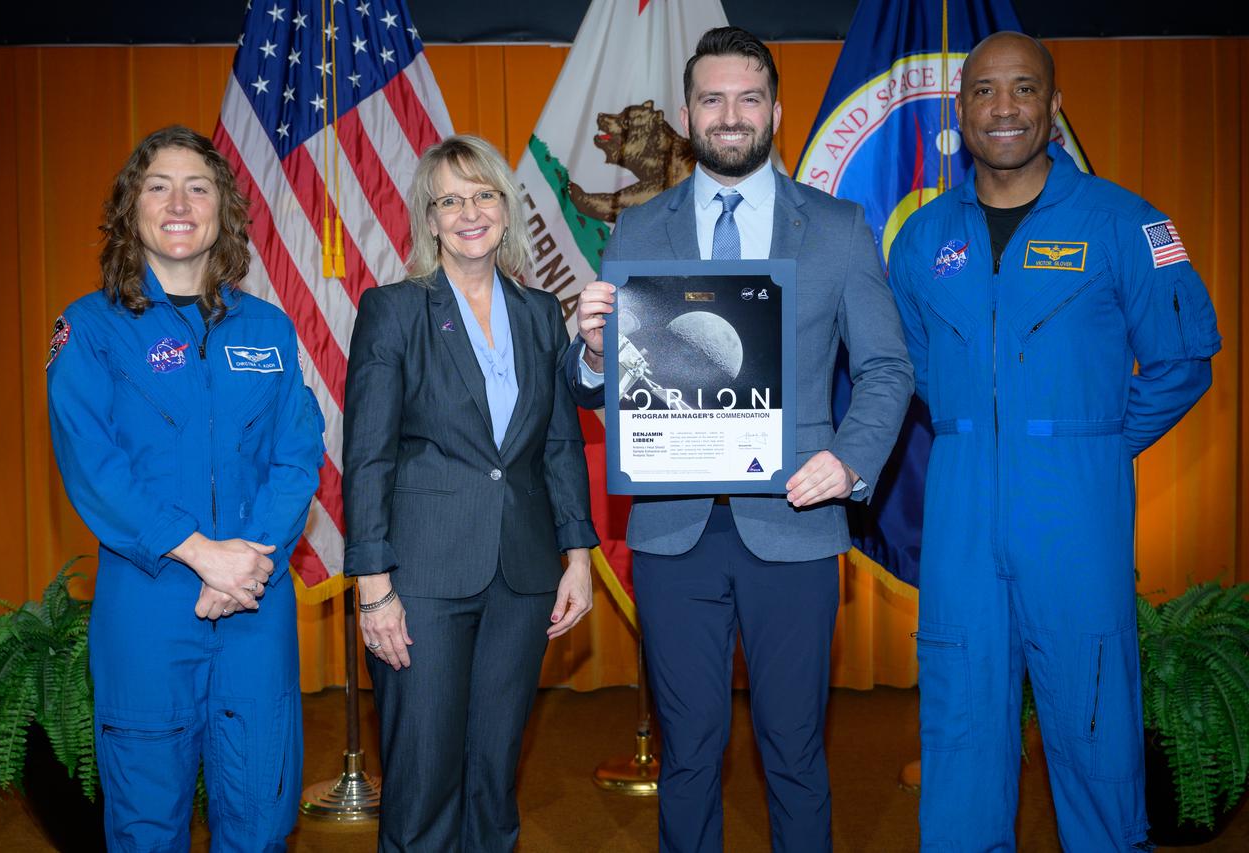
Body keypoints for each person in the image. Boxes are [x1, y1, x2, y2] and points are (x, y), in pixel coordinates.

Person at [563, 27, 914, 852]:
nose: (731, 114)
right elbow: (606, 377)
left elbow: (889, 368)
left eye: (748, 97)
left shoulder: (838, 226)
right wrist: (585, 347)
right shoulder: (640, 229)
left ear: (777, 112)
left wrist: (853, 458)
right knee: (689, 754)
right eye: (713, 99)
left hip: (794, 522)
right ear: (688, 115)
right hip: (672, 531)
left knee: (794, 751)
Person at [888, 32, 1221, 851]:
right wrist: (984, 430)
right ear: (960, 110)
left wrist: (1093, 440)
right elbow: (913, 368)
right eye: (984, 92)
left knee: (1091, 712)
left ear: (1055, 105)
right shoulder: (924, 241)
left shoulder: (1125, 224)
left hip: (1075, 507)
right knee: (961, 710)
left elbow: (1182, 363)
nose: (1004, 108)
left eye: (1023, 89)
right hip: (962, 507)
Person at [46, 125, 325, 849]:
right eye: (158, 185)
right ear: (130, 209)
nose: (179, 202)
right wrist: (202, 553)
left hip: (254, 600)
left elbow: (297, 454)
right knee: (145, 822)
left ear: (222, 211)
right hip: (149, 599)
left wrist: (246, 562)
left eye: (197, 186)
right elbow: (95, 467)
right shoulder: (89, 329)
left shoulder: (269, 327)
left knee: (261, 813)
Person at [342, 134, 599, 851]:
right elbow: (366, 456)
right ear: (429, 220)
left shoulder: (543, 312)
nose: (468, 211)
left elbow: (556, 443)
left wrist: (577, 553)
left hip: (521, 574)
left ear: (506, 209)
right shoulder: (394, 309)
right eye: (449, 200)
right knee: (424, 775)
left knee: (492, 772)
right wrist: (373, 587)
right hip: (419, 578)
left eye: (483, 194)